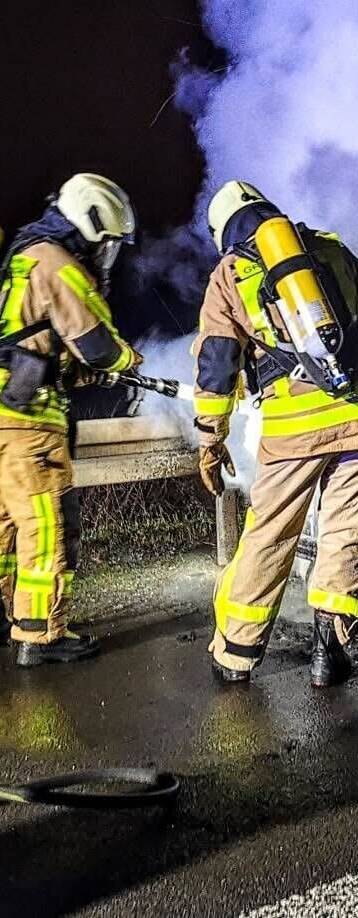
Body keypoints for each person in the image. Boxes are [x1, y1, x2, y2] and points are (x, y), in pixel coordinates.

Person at [193, 181, 358, 688]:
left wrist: (211, 437)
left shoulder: (230, 273)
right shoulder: (329, 248)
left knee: (270, 534)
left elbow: (217, 363)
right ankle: (330, 654)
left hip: (293, 432)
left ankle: (236, 654)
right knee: (346, 533)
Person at [0, 174, 141, 665]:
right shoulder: (58, 264)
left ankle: (9, 617)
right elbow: (98, 347)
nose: (105, 255)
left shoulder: (19, 257)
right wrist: (128, 362)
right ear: (91, 222)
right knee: (45, 525)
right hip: (29, 423)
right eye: (106, 243)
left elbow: (29, 344)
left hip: (5, 410)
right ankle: (40, 635)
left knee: (4, 528)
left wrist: (80, 376)